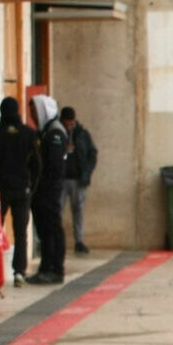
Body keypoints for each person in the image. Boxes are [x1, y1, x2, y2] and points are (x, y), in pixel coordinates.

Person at [0, 96, 40, 286]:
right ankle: (19, 271)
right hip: (22, 189)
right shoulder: (29, 134)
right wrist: (31, 187)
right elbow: (37, 164)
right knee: (21, 233)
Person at [27, 94, 70, 284]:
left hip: (50, 190)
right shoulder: (45, 131)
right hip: (43, 190)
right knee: (44, 230)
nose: (34, 116)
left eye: (35, 112)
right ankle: (46, 266)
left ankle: (55, 268)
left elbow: (52, 165)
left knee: (52, 229)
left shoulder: (55, 133)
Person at [59, 106, 97, 254]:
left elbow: (92, 153)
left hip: (78, 179)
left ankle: (79, 241)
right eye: (67, 123)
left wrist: (87, 171)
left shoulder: (82, 134)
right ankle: (58, 241)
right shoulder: (58, 133)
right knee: (58, 210)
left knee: (78, 210)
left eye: (71, 123)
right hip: (61, 179)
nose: (69, 126)